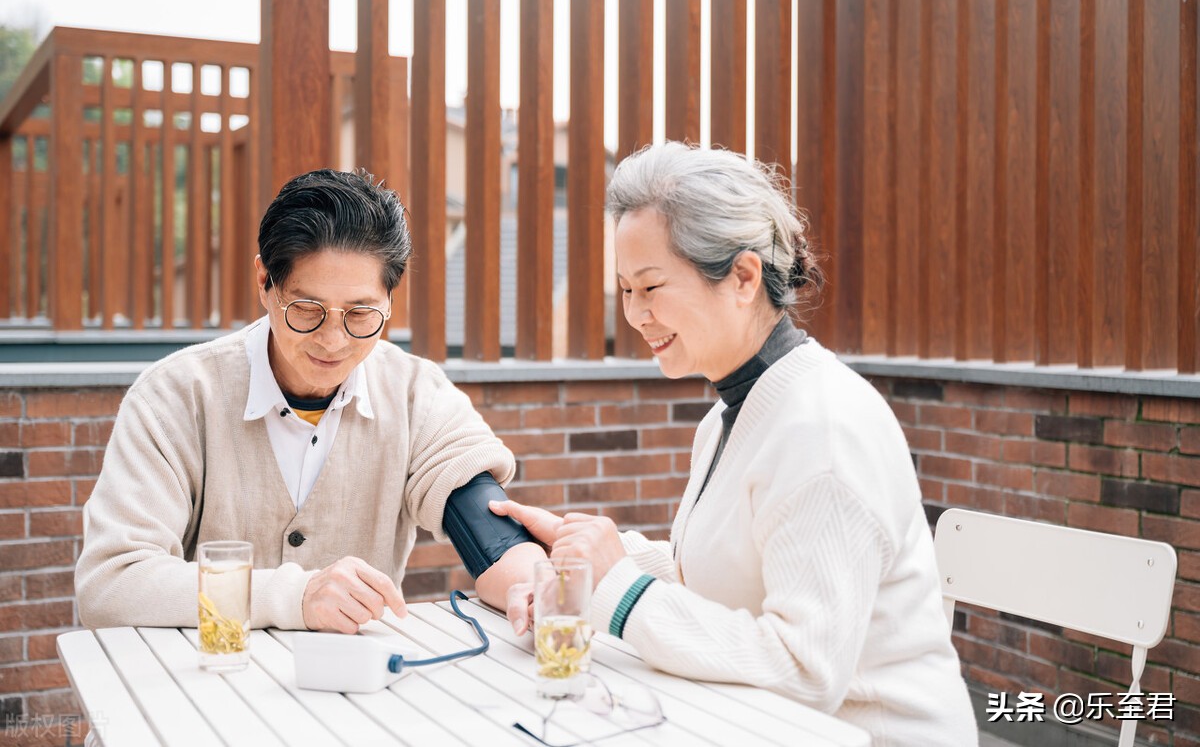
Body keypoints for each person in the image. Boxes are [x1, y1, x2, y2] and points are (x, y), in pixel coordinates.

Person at [491, 143, 978, 745]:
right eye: (624, 290)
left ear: (744, 277)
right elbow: (725, 575)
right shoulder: (734, 413)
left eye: (651, 286)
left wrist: (617, 585)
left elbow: (804, 672)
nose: (636, 314)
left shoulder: (823, 431)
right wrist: (592, 557)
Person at [76, 169, 544, 633]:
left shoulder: (416, 393)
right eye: (307, 310)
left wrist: (532, 581)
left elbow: (490, 530)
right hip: (207, 688)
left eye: (361, 314)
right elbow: (111, 584)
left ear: (390, 301)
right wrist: (293, 598)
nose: (334, 340)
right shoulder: (175, 396)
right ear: (264, 281)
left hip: (353, 692)